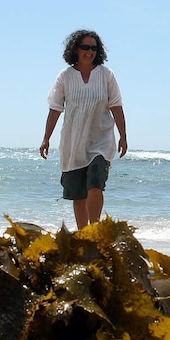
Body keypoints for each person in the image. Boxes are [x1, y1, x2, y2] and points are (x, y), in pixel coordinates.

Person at [40, 29, 128, 230]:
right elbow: (55, 109)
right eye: (85, 47)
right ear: (75, 49)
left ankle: (95, 230)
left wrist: (123, 136)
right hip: (74, 143)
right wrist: (46, 138)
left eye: (94, 48)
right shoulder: (65, 76)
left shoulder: (106, 75)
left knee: (95, 185)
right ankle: (83, 235)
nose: (90, 52)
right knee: (78, 194)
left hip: (101, 141)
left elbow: (116, 105)